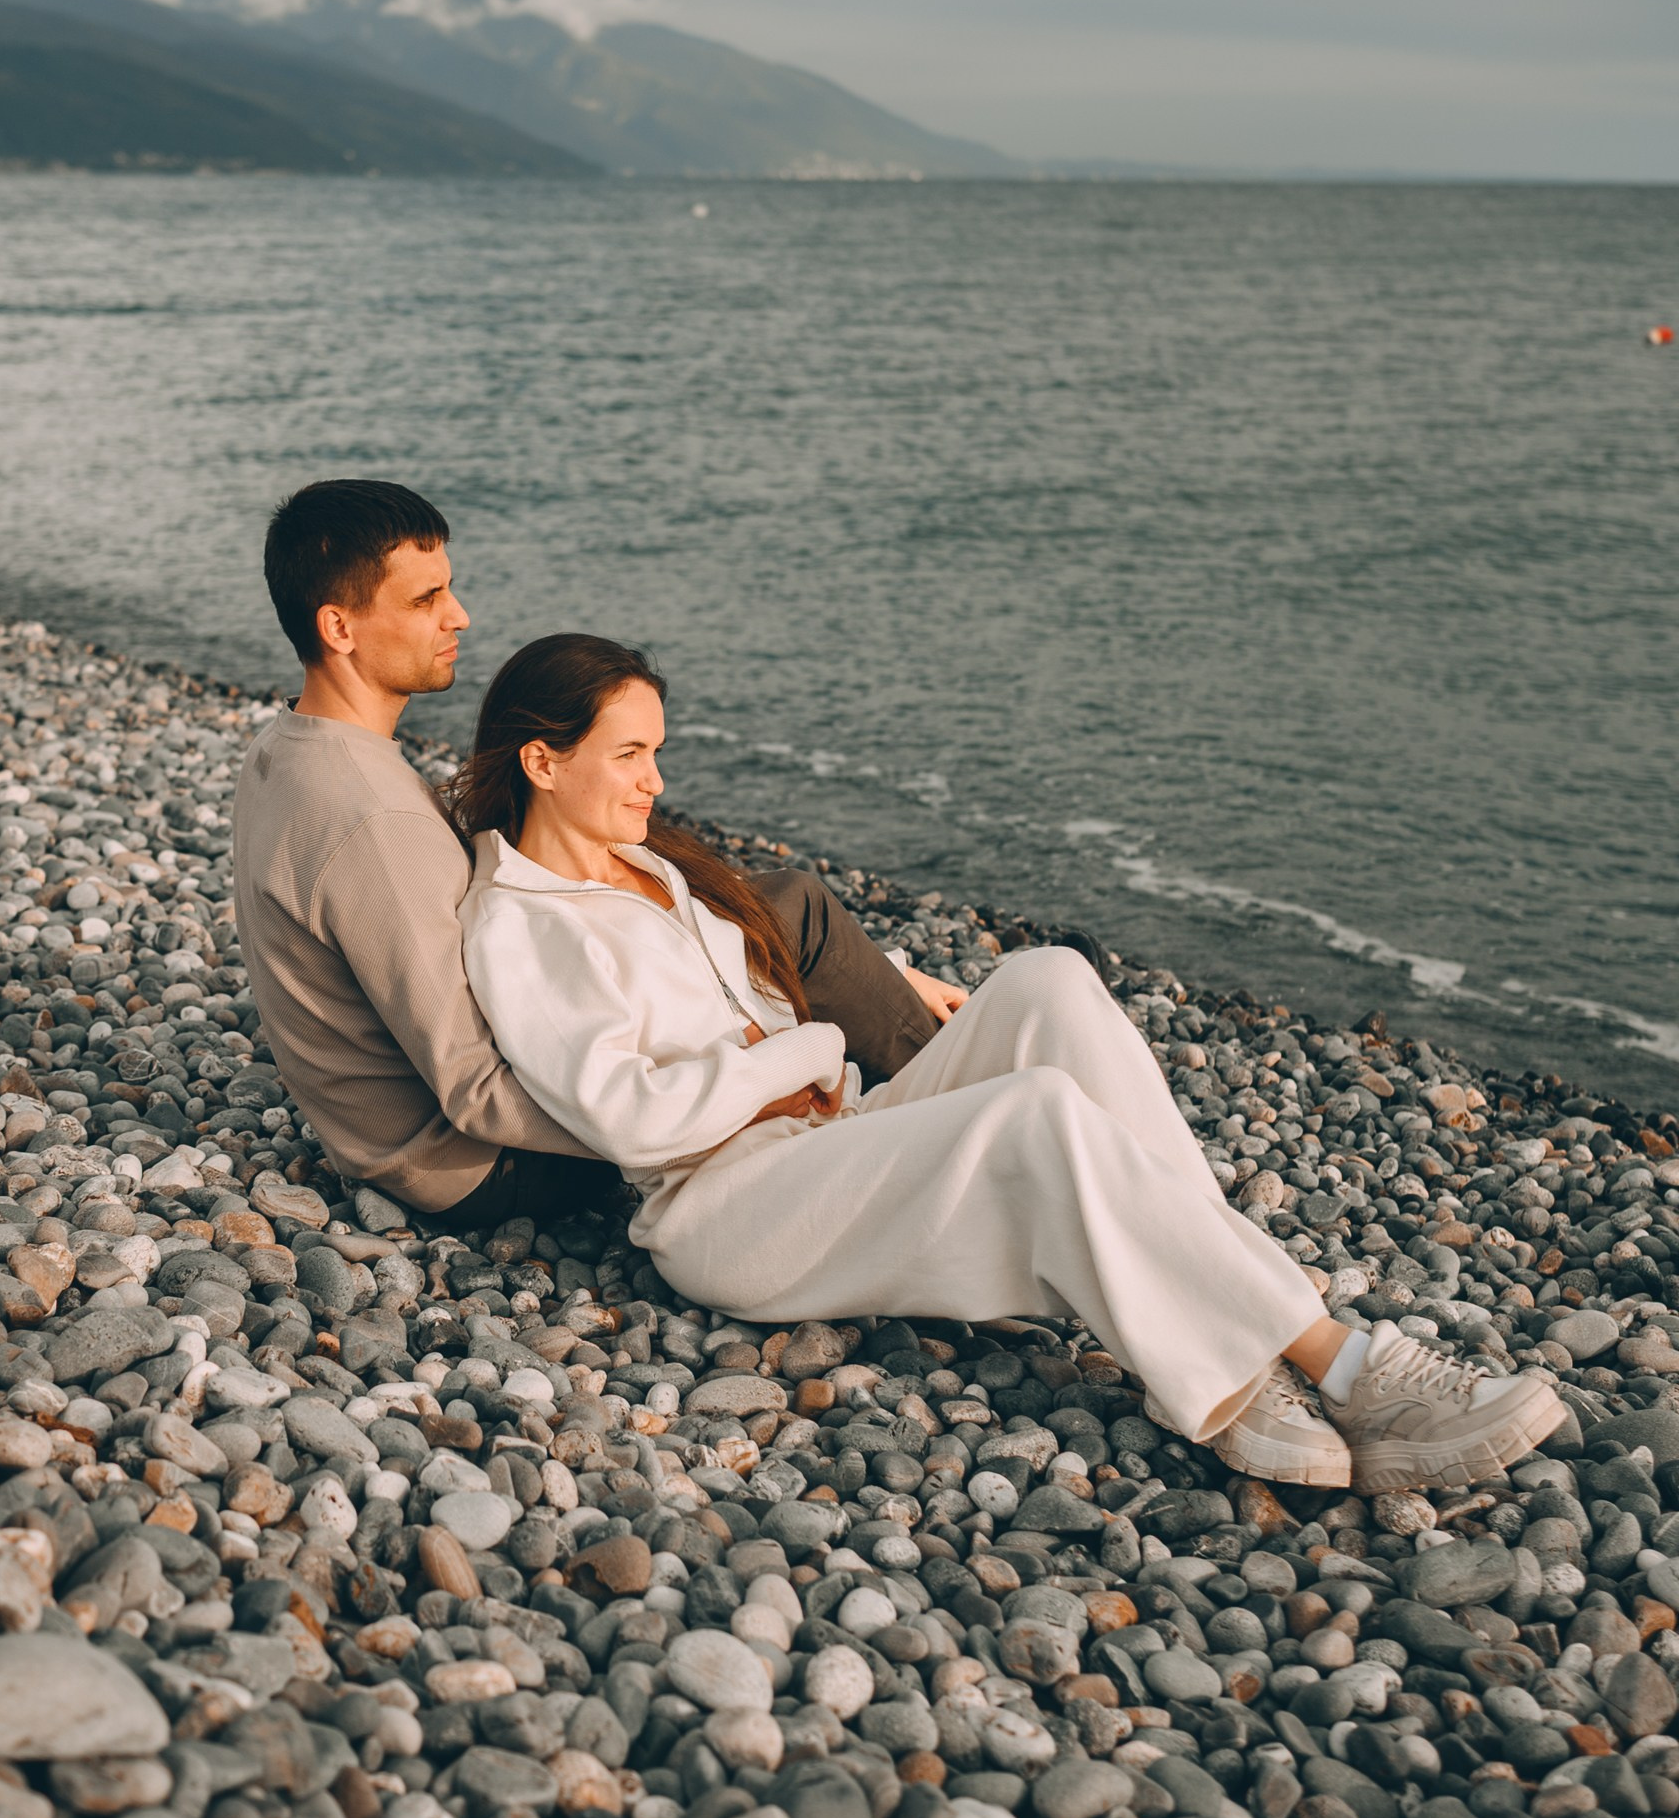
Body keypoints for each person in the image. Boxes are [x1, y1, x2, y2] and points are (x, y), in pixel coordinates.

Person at [455, 631, 1566, 1493]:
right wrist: (804, 1044)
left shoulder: (643, 866)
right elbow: (632, 1121)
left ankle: (1241, 1342)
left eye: (659, 751)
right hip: (727, 1206)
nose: (655, 779)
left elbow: (734, 984)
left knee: (1045, 982)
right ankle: (1340, 1362)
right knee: (1034, 1111)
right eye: (630, 754)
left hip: (827, 1137)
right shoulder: (521, 924)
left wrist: (838, 1019)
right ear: (543, 759)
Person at [232, 477, 946, 1233]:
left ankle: (905, 1024)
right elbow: (474, 1084)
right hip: (473, 1162)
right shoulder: (373, 820)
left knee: (759, 913)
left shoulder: (292, 748)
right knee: (791, 912)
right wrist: (735, 1104)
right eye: (424, 599)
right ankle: (944, 1095)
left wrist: (874, 973)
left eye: (450, 588)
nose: (459, 615)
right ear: (339, 627)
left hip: (408, 1130)